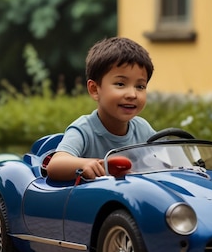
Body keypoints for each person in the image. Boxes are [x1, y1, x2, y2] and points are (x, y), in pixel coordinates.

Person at [46, 36, 156, 181]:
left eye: (140, 86)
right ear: (94, 90)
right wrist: (85, 164)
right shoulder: (84, 130)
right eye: (120, 84)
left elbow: (165, 159)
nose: (132, 94)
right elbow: (55, 165)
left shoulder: (143, 129)